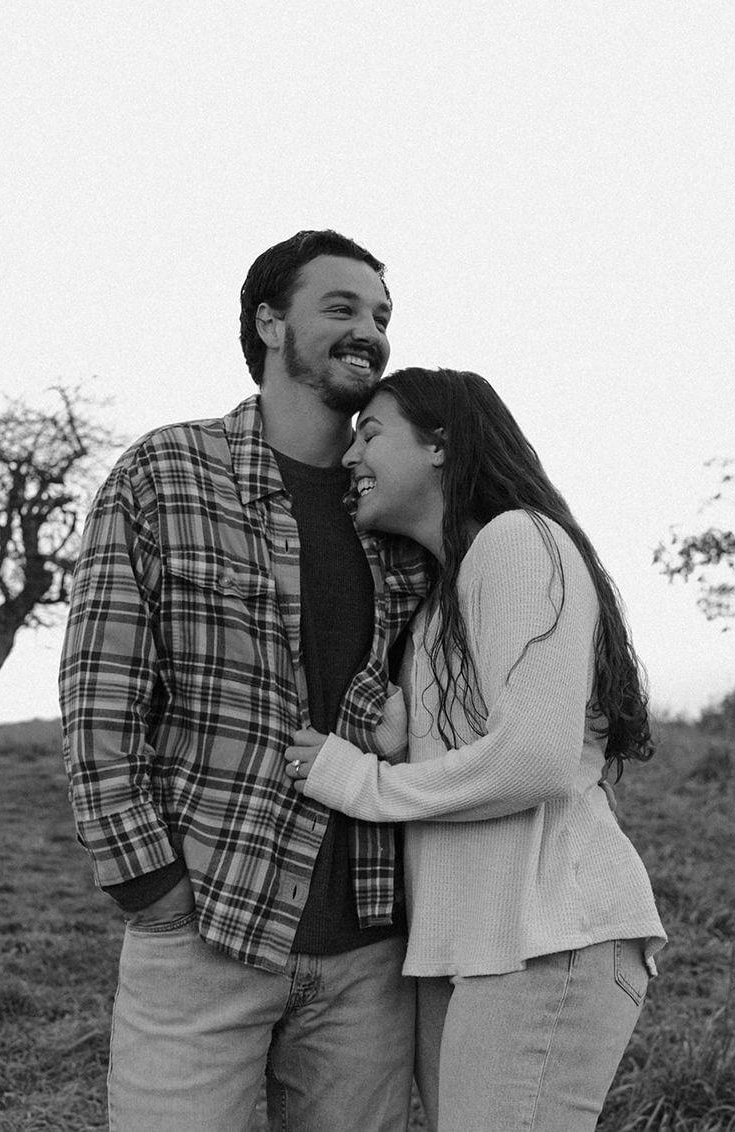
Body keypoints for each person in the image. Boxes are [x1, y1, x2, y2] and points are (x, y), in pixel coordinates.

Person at [59, 230, 429, 1132]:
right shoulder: (167, 473)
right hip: (205, 933)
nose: (371, 332)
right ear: (268, 323)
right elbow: (101, 699)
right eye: (341, 308)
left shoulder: (396, 508)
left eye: (381, 316)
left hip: (369, 953)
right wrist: (151, 887)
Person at [285, 367, 667, 1132]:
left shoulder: (519, 541)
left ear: (440, 444)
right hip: (472, 945)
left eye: (371, 434)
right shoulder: (442, 603)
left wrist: (361, 781)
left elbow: (535, 761)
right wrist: (403, 746)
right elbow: (476, 758)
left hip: (548, 935)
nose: (351, 456)